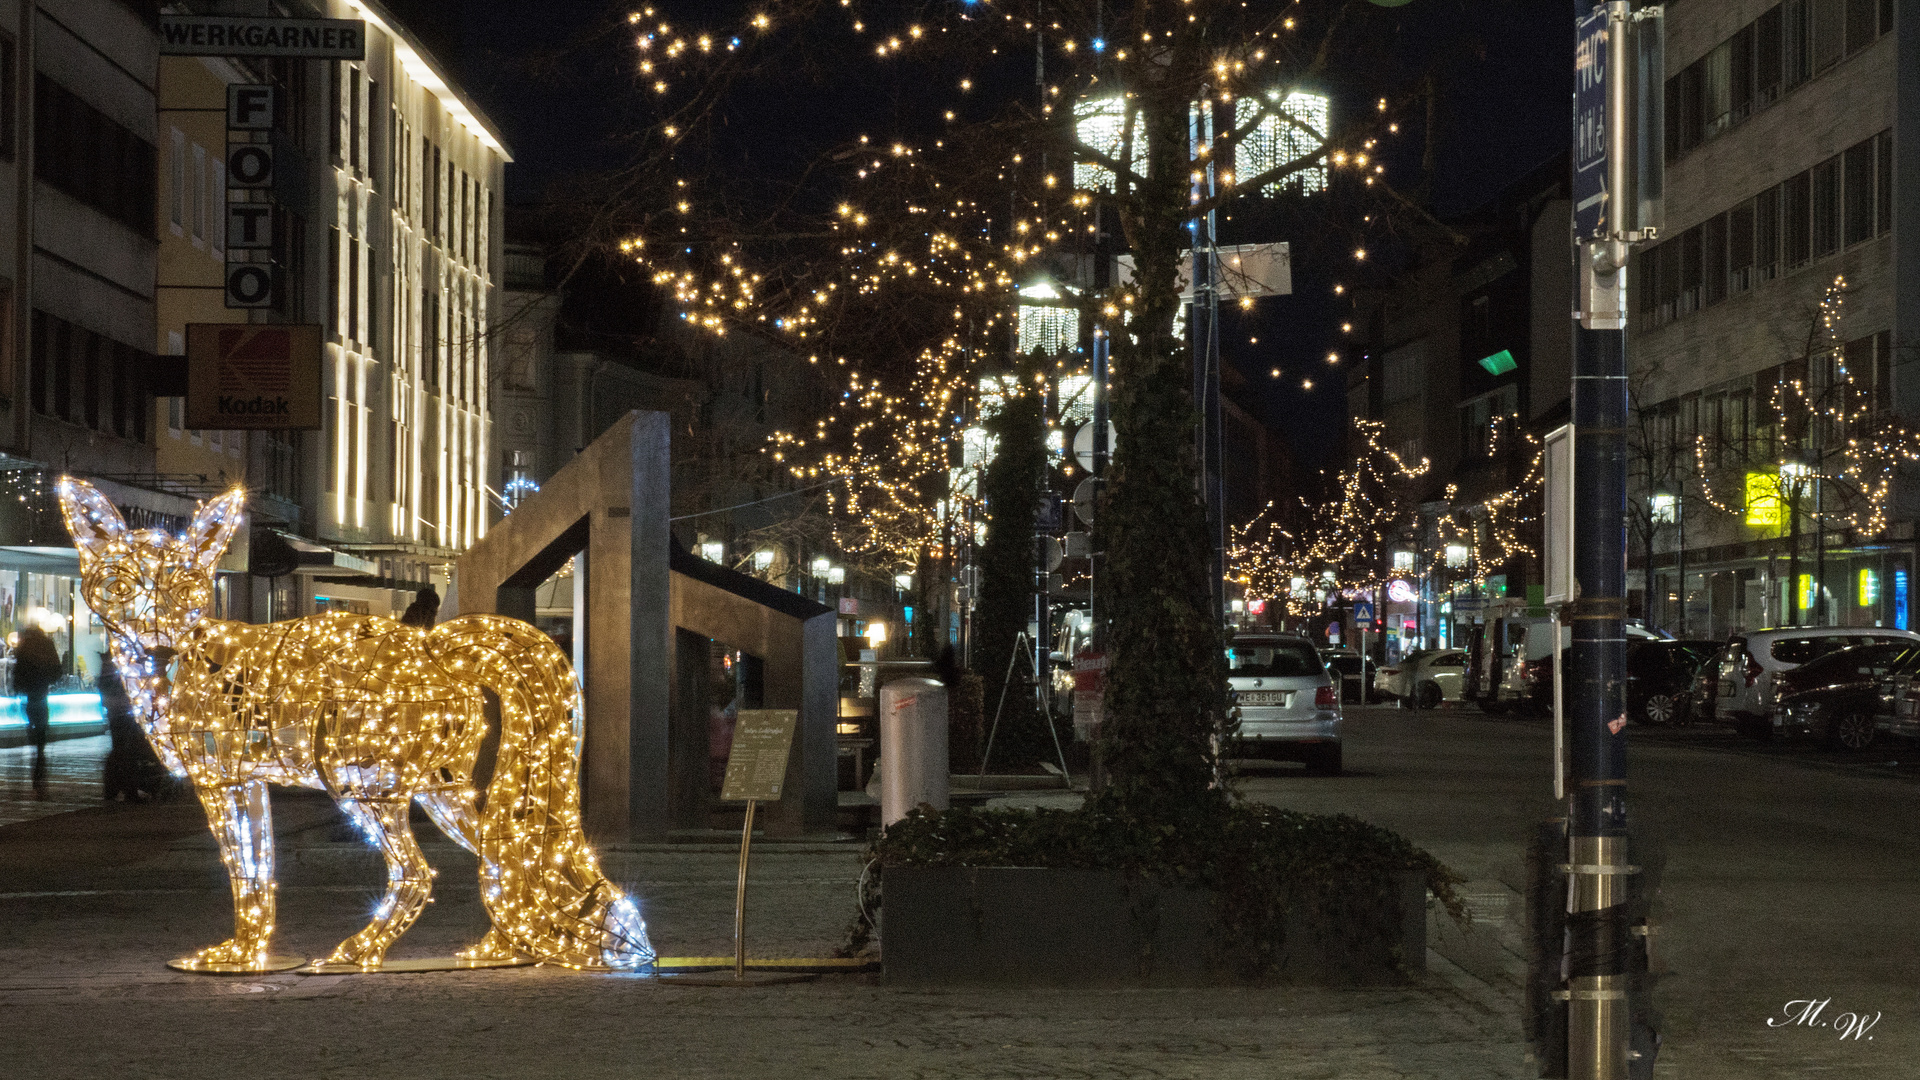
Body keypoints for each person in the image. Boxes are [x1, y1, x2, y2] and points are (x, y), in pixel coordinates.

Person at [13, 624, 62, 801]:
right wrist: (46, 680)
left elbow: (17, 673)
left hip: (30, 696)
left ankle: (37, 770)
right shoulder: (46, 645)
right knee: (41, 740)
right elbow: (57, 671)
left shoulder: (24, 646)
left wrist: (19, 688)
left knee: (35, 732)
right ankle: (39, 774)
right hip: (41, 694)